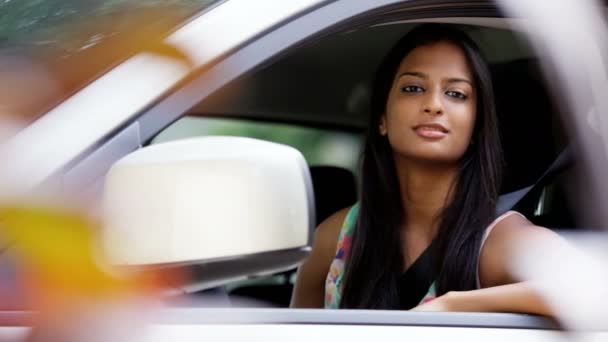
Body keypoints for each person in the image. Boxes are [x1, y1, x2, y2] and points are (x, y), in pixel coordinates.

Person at [290, 24, 560, 313]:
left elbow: (593, 290)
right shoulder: (336, 238)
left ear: (475, 127)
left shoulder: (497, 239)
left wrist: (452, 306)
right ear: (382, 118)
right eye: (413, 88)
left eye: (456, 94)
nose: (433, 105)